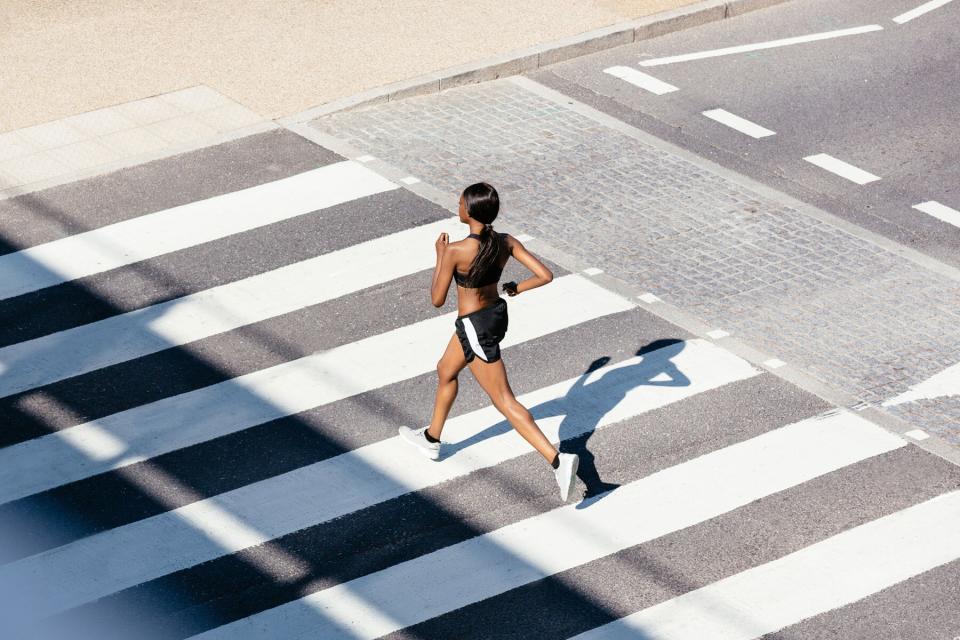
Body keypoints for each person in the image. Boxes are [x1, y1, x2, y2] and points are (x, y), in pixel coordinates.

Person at [399, 182, 580, 501]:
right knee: (446, 370)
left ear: (469, 212)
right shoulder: (505, 242)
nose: (457, 207)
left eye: (459, 204)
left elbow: (437, 299)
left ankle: (557, 460)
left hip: (474, 327)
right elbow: (545, 275)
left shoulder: (456, 250)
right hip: (494, 314)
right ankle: (431, 438)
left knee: (504, 400)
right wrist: (515, 288)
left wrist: (441, 257)